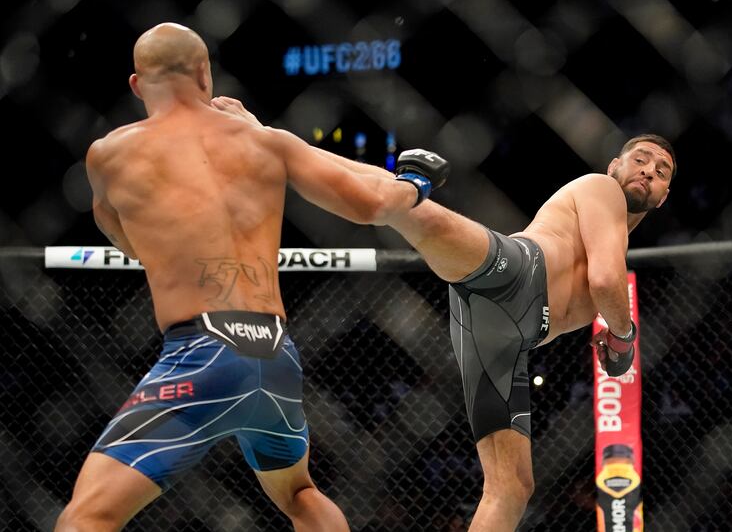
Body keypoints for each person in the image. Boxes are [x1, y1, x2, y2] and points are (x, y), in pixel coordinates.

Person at [212, 95, 675, 531]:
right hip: (514, 272)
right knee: (398, 205)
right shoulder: (601, 189)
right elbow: (605, 282)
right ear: (615, 165)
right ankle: (263, 136)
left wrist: (615, 331)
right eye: (640, 159)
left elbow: (600, 284)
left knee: (512, 486)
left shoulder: (615, 234)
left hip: (506, 340)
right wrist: (624, 337)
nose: (649, 171)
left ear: (664, 197)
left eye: (661, 171)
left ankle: (297, 150)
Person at [55, 23, 447, 532]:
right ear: (205, 73)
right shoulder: (265, 141)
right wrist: (414, 184)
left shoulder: (109, 154)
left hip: (202, 354)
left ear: (136, 85)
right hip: (275, 353)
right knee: (300, 493)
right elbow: (371, 203)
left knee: (86, 516)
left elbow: (123, 236)